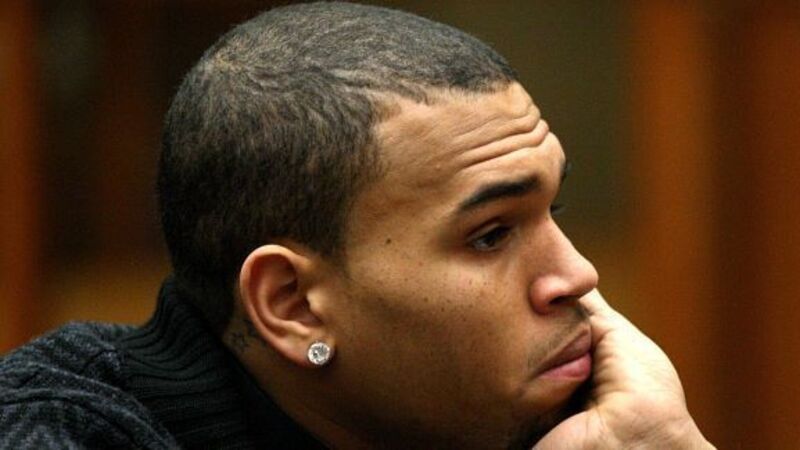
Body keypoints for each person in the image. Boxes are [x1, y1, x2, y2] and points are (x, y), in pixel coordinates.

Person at [0, 2, 714, 449]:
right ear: (293, 304)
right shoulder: (51, 431)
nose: (578, 276)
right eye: (491, 234)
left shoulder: (523, 423)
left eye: (550, 210)